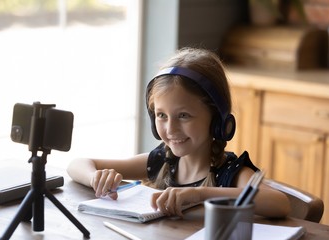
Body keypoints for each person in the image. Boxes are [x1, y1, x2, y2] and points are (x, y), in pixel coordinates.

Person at [67, 47, 290, 218]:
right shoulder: (161, 161)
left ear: (217, 120)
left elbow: (279, 202)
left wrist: (199, 195)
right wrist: (95, 177)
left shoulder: (230, 173)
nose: (171, 129)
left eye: (183, 115)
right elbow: (77, 164)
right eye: (161, 115)